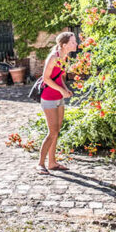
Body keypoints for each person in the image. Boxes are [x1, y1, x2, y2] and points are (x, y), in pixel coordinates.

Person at [37, 31, 77, 174]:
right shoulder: (53, 57)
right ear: (64, 44)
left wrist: (65, 89)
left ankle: (52, 163)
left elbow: (59, 77)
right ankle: (40, 164)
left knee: (57, 131)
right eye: (73, 42)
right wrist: (61, 90)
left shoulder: (64, 57)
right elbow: (46, 78)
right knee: (52, 132)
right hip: (48, 98)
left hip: (58, 98)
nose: (76, 44)